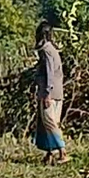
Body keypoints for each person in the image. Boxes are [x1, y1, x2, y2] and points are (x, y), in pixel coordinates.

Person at [34, 21, 68, 166]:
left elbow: (49, 73)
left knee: (50, 123)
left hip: (50, 93)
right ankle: (50, 154)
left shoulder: (46, 50)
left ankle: (62, 151)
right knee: (49, 123)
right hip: (57, 92)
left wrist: (46, 93)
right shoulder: (53, 49)